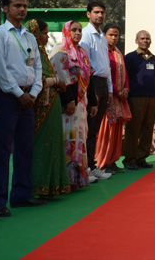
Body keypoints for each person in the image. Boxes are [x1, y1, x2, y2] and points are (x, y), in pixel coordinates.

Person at [0, 0, 46, 217]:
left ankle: (21, 195)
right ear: (5, 8)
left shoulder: (30, 37)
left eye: (24, 6)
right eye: (16, 5)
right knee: (1, 150)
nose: (22, 9)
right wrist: (17, 93)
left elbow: (37, 67)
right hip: (6, 97)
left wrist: (34, 92)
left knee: (25, 148)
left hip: (28, 98)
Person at [50, 21, 98, 188]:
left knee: (80, 138)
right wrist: (69, 101)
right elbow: (61, 78)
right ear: (66, 31)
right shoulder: (59, 50)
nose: (77, 33)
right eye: (74, 30)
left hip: (81, 104)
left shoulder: (82, 52)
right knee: (67, 138)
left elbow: (88, 78)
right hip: (66, 105)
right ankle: (65, 179)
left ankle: (78, 177)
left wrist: (93, 102)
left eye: (79, 30)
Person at [28, 19, 71, 197]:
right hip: (40, 106)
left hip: (52, 104)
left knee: (53, 145)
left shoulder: (43, 52)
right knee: (41, 146)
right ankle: (39, 186)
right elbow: (33, 78)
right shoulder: (31, 51)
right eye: (44, 33)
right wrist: (57, 81)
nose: (46, 37)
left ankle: (53, 186)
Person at [79, 1, 113, 181]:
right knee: (88, 128)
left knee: (94, 129)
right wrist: (90, 91)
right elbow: (85, 66)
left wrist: (109, 89)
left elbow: (105, 64)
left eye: (102, 12)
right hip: (90, 84)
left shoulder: (101, 36)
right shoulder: (85, 35)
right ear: (88, 14)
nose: (100, 15)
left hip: (102, 83)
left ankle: (92, 166)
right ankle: (85, 169)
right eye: (96, 12)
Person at [95, 23, 132, 174]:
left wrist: (126, 89)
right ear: (104, 35)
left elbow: (126, 74)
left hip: (120, 98)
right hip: (109, 96)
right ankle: (101, 162)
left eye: (116, 35)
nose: (114, 38)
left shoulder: (118, 53)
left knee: (117, 131)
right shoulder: (102, 52)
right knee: (106, 131)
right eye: (111, 34)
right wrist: (116, 91)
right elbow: (106, 74)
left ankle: (112, 161)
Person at [123, 30, 155, 170]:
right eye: (142, 38)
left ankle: (141, 158)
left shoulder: (154, 59)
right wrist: (126, 99)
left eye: (147, 38)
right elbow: (125, 79)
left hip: (152, 99)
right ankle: (130, 159)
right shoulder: (130, 58)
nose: (145, 40)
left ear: (150, 41)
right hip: (135, 98)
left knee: (147, 129)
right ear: (136, 41)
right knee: (133, 129)